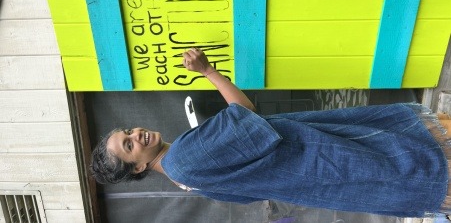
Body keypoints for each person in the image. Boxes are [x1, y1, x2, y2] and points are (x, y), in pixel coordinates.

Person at [91, 48, 451, 218]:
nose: (136, 134)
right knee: (409, 154)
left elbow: (248, 192)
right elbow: (243, 114)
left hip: (315, 170)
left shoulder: (182, 176)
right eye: (128, 144)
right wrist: (208, 71)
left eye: (128, 130)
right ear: (136, 167)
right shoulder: (183, 158)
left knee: (400, 164)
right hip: (318, 153)